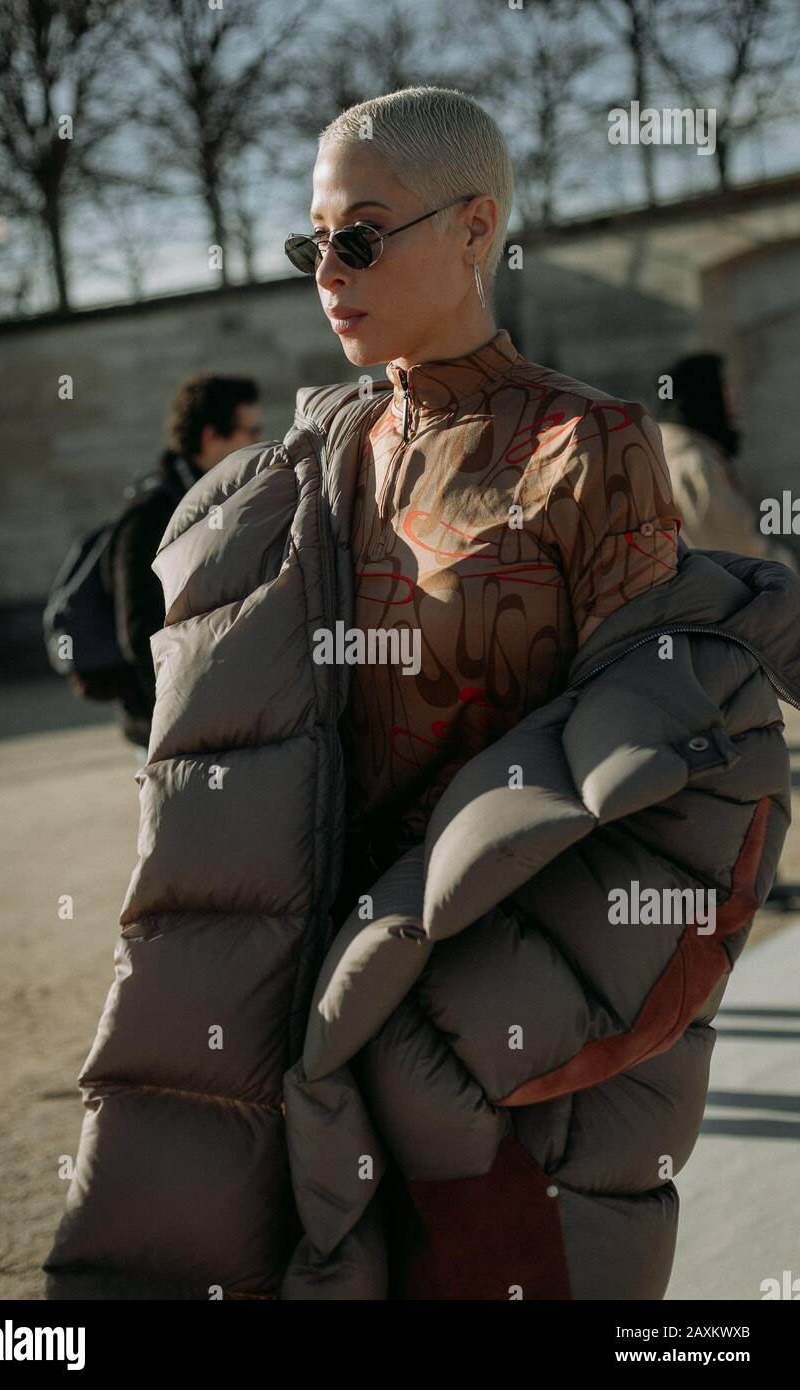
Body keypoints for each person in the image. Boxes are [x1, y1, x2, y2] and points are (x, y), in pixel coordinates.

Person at [44, 86, 800, 1301]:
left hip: (503, 1008)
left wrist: (448, 1013)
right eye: (311, 243)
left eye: (359, 235)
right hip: (317, 984)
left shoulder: (586, 444)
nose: (326, 271)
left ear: (472, 227)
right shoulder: (316, 459)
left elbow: (656, 742)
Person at [108, 374, 263, 755]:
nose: (259, 442)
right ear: (212, 437)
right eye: (252, 431)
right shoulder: (153, 511)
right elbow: (138, 632)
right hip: (168, 720)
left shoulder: (216, 496)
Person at [656, 352, 796, 569]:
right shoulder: (694, 465)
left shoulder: (663, 453)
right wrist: (787, 570)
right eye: (725, 388)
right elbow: (736, 552)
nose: (734, 399)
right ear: (705, 396)